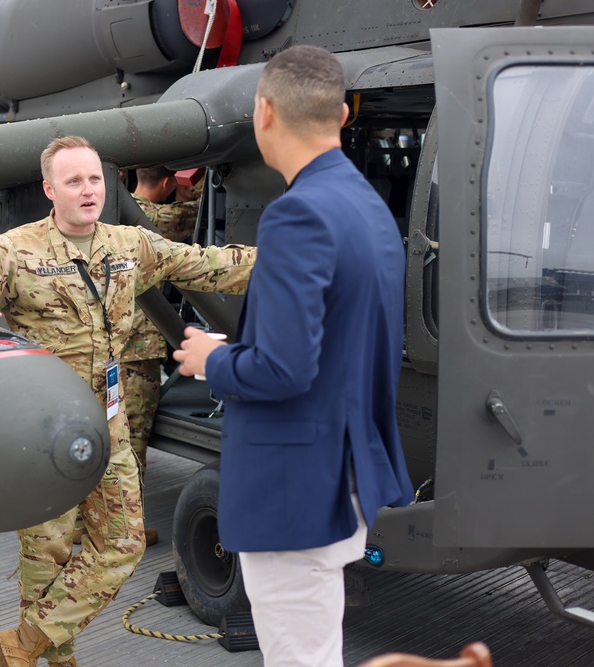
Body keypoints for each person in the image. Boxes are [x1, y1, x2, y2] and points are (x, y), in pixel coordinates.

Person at [0, 135, 256, 667]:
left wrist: (293, 258)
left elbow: (207, 263)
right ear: (51, 190)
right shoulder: (15, 250)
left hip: (109, 424)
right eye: (74, 181)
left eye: (95, 178)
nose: (88, 189)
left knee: (123, 545)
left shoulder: (129, 245)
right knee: (47, 551)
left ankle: (27, 642)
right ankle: (55, 655)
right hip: (43, 428)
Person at [172, 45, 414, 667]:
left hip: (296, 486)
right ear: (339, 112)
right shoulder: (367, 207)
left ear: (263, 112)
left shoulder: (296, 215)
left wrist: (211, 360)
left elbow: (284, 370)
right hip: (342, 470)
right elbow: (341, 343)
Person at [123, 166, 202, 547]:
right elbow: (199, 212)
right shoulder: (155, 219)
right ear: (169, 183)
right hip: (136, 355)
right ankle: (125, 531)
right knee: (131, 442)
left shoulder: (112, 213)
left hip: (107, 349)